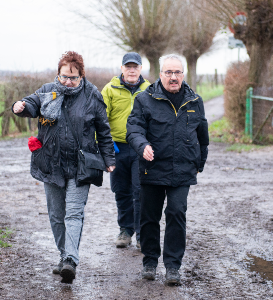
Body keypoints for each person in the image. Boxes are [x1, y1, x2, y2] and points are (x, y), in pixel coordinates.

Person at [12, 51, 115, 284]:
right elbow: (32, 103)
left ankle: (70, 259)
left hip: (82, 165)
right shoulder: (49, 90)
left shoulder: (92, 96)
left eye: (73, 78)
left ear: (82, 76)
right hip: (51, 163)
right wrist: (20, 106)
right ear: (58, 75)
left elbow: (104, 131)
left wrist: (109, 159)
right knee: (56, 215)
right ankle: (63, 255)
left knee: (74, 213)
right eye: (64, 77)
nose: (68, 82)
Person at [126, 54, 209, 285]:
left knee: (176, 213)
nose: (173, 77)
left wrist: (199, 164)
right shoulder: (144, 99)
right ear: (160, 74)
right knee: (149, 217)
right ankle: (150, 262)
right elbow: (133, 129)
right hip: (151, 170)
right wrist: (142, 146)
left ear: (183, 74)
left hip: (182, 171)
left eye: (177, 72)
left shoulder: (195, 101)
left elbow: (203, 137)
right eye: (169, 72)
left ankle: (173, 266)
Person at [101, 52, 150, 249]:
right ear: (122, 68)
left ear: (140, 69)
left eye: (135, 66)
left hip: (140, 148)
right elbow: (100, 119)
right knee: (121, 190)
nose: (131, 70)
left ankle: (141, 234)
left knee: (141, 190)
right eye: (128, 66)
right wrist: (105, 145)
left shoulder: (149, 90)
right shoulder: (110, 89)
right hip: (117, 148)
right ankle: (125, 230)